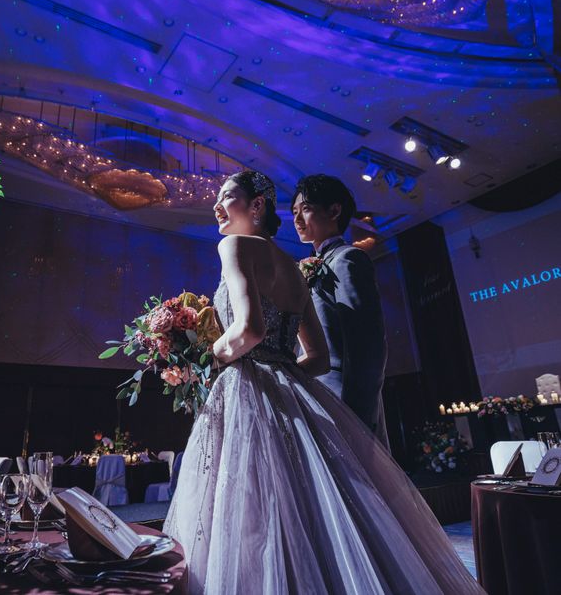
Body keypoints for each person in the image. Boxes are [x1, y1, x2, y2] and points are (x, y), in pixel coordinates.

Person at [163, 170, 483, 594]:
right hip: (296, 398)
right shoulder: (297, 271)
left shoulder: (233, 245)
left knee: (250, 511)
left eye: (226, 196)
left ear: (256, 205)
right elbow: (316, 358)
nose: (216, 206)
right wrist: (283, 373)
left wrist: (207, 358)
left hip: (248, 389)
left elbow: (250, 330)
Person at [292, 174, 389, 448]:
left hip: (343, 398)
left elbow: (368, 346)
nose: (297, 219)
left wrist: (358, 416)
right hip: (314, 396)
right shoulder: (308, 265)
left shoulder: (347, 259)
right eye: (294, 212)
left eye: (306, 209)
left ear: (334, 211)